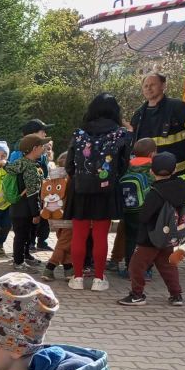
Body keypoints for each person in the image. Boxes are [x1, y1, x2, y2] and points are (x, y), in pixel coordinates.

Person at [64, 92, 131, 292]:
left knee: (79, 234)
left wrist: (80, 178)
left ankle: (77, 278)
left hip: (80, 189)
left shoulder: (79, 133)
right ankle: (99, 279)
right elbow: (124, 165)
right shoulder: (121, 134)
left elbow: (69, 165)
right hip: (106, 191)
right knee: (101, 236)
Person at [119, 151, 185, 307]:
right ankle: (176, 295)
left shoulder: (155, 192)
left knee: (136, 266)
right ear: (174, 170)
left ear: (152, 171)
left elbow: (144, 216)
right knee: (168, 266)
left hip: (150, 237)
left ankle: (137, 295)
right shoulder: (179, 188)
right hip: (168, 237)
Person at [130, 72, 185, 174]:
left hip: (173, 172)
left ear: (163, 86)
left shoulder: (178, 107)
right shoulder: (138, 114)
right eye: (145, 86)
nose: (148, 88)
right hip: (146, 173)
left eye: (152, 85)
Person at [110, 137, 157, 277]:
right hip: (146, 209)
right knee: (146, 240)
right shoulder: (152, 166)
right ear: (152, 154)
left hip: (129, 208)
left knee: (130, 238)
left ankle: (129, 268)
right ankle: (146, 270)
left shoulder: (128, 165)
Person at [3, 134, 46, 271]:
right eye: (41, 146)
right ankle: (19, 262)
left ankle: (25, 256)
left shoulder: (20, 163)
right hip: (26, 209)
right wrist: (36, 213)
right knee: (22, 237)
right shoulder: (31, 168)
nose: (44, 148)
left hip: (17, 207)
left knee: (24, 235)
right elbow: (32, 193)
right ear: (34, 148)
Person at [40, 153, 75, 281]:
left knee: (64, 241)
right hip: (68, 215)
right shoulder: (70, 177)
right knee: (64, 244)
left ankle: (68, 270)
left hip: (54, 215)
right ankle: (49, 267)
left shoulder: (54, 177)